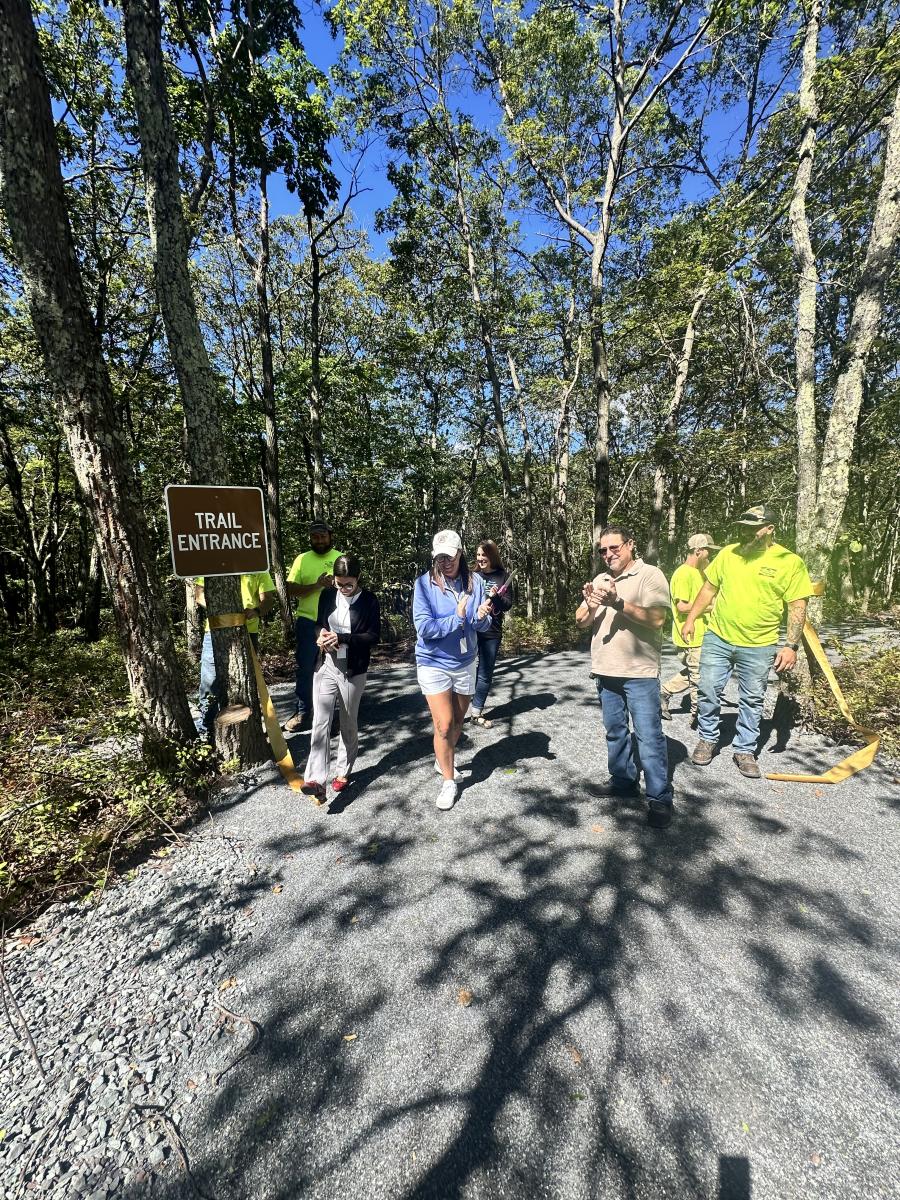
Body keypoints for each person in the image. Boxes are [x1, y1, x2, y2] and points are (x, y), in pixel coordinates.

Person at [681, 504, 813, 779]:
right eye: (743, 527)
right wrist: (690, 618)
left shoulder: (789, 562)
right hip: (718, 637)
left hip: (759, 644)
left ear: (770, 528)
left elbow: (797, 606)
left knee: (752, 699)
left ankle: (744, 749)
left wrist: (791, 645)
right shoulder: (728, 554)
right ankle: (708, 738)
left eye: (753, 528)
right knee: (707, 689)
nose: (745, 532)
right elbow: (708, 589)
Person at [575, 524, 673, 828]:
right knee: (615, 731)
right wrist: (590, 605)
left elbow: (657, 619)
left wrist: (617, 602)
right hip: (605, 670)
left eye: (614, 547)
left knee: (649, 736)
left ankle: (659, 798)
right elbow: (580, 621)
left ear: (630, 545)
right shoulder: (600, 579)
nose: (608, 554)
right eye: (602, 550)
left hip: (639, 672)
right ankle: (623, 782)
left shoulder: (650, 575)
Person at [413, 530, 493, 811]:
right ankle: (449, 781)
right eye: (440, 558)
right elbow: (424, 628)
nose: (445, 563)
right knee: (444, 724)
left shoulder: (476, 583)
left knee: (458, 722)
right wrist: (455, 618)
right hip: (433, 662)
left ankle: (442, 758)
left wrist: (482, 617)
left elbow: (479, 625)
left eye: (450, 556)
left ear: (460, 553)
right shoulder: (424, 585)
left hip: (465, 661)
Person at [300, 554, 380, 804]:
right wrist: (321, 634)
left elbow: (373, 636)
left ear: (358, 579)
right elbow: (318, 624)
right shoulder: (327, 595)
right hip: (326, 664)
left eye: (349, 584)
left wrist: (342, 638)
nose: (344, 588)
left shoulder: (369, 600)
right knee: (320, 722)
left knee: (347, 722)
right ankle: (315, 780)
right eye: (339, 583)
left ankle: (343, 770)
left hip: (353, 669)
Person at [194, 571, 277, 733]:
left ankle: (248, 731)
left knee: (245, 682)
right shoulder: (209, 563)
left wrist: (256, 611)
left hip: (247, 631)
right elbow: (199, 594)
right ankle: (206, 730)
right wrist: (218, 608)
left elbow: (268, 599)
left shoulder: (257, 566)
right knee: (210, 681)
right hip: (214, 629)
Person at [285, 522, 342, 733]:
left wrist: (336, 584)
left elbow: (353, 588)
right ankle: (303, 713)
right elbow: (290, 590)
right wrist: (317, 585)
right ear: (310, 538)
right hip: (307, 622)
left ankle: (334, 716)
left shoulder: (340, 558)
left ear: (330, 536)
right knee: (305, 668)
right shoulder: (302, 559)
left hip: (335, 623)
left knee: (337, 668)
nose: (319, 540)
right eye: (315, 537)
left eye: (323, 536)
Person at [661, 534, 719, 725]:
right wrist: (713, 607)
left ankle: (663, 693)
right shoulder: (683, 574)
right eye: (709, 551)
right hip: (691, 636)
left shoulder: (700, 573)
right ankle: (698, 716)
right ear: (698, 551)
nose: (711, 554)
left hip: (703, 634)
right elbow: (682, 607)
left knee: (697, 671)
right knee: (698, 677)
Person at [469, 540, 514, 727]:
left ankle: (476, 712)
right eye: (478, 555)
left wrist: (495, 597)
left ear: (492, 556)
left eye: (484, 555)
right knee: (464, 669)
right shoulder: (471, 576)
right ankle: (456, 710)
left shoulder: (503, 576)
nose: (480, 558)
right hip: (471, 629)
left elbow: (507, 605)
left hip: (492, 632)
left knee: (484, 673)